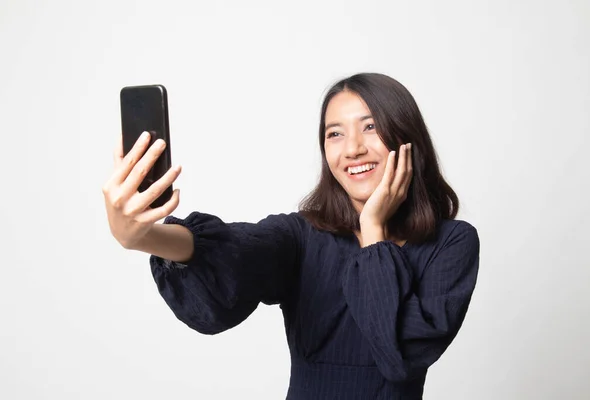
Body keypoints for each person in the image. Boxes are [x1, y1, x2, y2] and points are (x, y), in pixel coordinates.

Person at [103, 72, 480, 399]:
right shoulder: (303, 235)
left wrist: (373, 230)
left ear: (406, 136)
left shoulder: (451, 243)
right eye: (335, 133)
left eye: (370, 126)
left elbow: (399, 357)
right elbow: (239, 251)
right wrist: (144, 237)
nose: (352, 148)